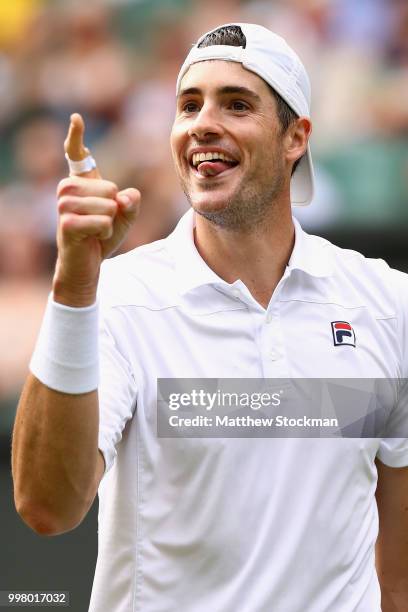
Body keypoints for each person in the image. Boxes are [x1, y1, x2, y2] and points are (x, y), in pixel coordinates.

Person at [12, 23, 408, 612]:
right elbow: (47, 507)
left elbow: (398, 571)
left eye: (237, 104)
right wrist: (74, 285)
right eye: (189, 105)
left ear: (295, 137)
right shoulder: (117, 298)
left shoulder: (387, 302)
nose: (202, 123)